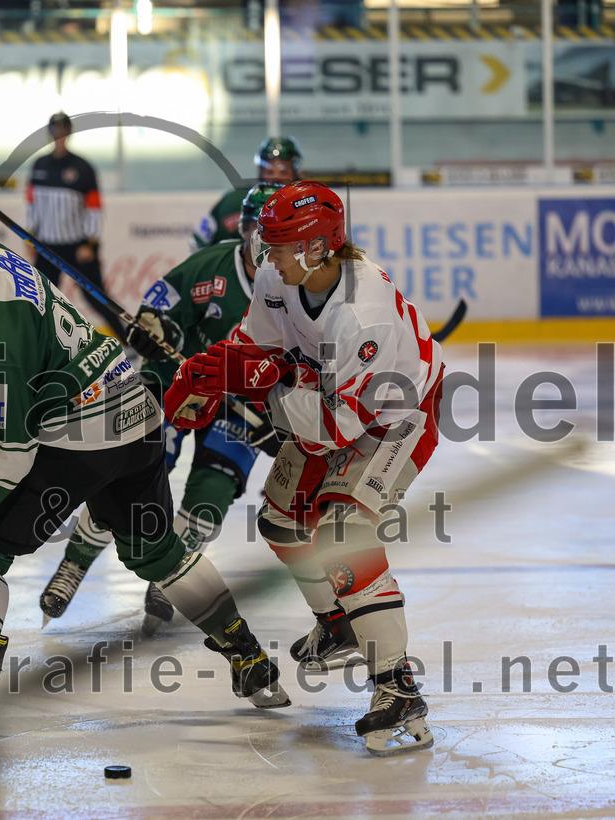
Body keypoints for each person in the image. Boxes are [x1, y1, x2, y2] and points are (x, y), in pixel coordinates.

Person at [0, 206, 290, 735]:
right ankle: (248, 657)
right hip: (136, 415)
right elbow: (29, 341)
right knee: (156, 550)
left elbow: (10, 450)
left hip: (80, 441)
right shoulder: (1, 262)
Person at [166, 181, 442, 756]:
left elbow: (339, 430)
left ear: (318, 248)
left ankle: (399, 688)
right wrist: (214, 370)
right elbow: (254, 344)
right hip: (324, 399)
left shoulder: (362, 314)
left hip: (396, 413)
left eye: (282, 246)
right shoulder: (278, 275)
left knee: (344, 535)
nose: (268, 256)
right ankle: (338, 623)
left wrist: (268, 389)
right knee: (280, 522)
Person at [39, 182, 311, 637]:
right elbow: (158, 309)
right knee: (130, 475)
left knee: (210, 499)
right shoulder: (210, 268)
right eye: (258, 235)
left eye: (277, 240)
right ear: (244, 232)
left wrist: (282, 408)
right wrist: (151, 328)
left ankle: (170, 578)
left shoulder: (299, 291)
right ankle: (74, 564)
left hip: (242, 404)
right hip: (179, 383)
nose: (265, 250)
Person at [24, 111, 123, 335]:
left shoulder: (83, 167)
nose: (59, 134)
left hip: (78, 246)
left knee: (97, 297)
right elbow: (31, 206)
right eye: (55, 130)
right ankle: (39, 346)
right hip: (47, 247)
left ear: (69, 132)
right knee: (40, 301)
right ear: (50, 133)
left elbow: (95, 209)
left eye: (63, 130)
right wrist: (30, 238)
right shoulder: (39, 165)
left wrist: (91, 243)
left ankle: (129, 341)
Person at [191, 136, 303, 251]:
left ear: (295, 173)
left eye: (283, 172)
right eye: (269, 171)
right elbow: (198, 244)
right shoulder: (231, 203)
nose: (276, 177)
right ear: (260, 172)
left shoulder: (309, 203)